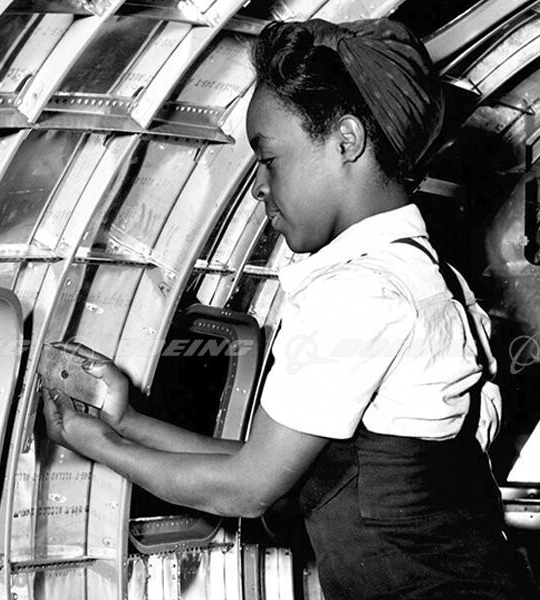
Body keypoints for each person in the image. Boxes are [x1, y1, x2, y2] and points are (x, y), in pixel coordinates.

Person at [42, 19, 529, 599]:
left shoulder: (361, 294)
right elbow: (267, 464)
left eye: (269, 159)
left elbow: (246, 488)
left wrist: (98, 444)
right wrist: (125, 421)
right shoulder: (424, 274)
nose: (257, 187)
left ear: (346, 141)